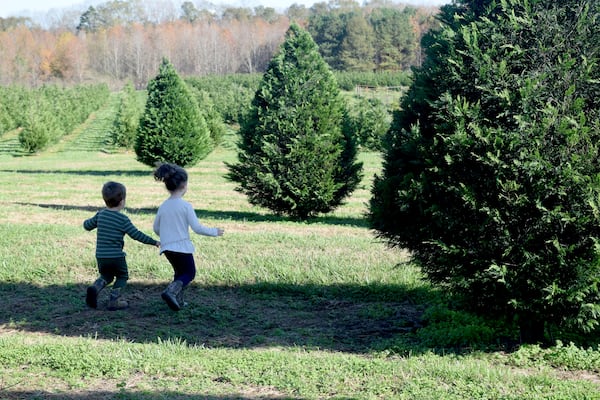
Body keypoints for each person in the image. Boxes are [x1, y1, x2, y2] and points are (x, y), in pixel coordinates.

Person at [153, 163, 224, 311]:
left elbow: (156, 228)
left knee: (179, 273)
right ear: (184, 185)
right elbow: (197, 228)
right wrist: (214, 232)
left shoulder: (163, 206)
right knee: (189, 273)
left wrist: (165, 236)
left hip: (167, 247)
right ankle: (171, 292)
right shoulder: (186, 206)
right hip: (181, 247)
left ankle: (178, 300)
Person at [84, 181, 160, 310]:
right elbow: (136, 234)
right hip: (117, 257)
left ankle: (96, 287)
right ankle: (114, 300)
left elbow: (87, 226)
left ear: (105, 199)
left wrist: (92, 219)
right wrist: (154, 242)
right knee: (122, 276)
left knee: (107, 276)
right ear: (122, 201)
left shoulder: (100, 215)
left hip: (101, 256)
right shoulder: (123, 219)